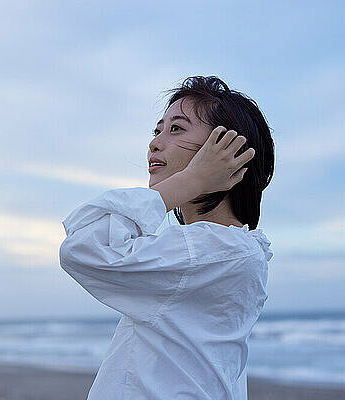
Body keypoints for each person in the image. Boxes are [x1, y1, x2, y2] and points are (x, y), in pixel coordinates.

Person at [59, 76, 275, 400]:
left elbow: (83, 247)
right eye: (157, 130)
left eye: (176, 129)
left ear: (228, 152)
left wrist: (189, 181)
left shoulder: (217, 251)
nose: (155, 143)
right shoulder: (219, 250)